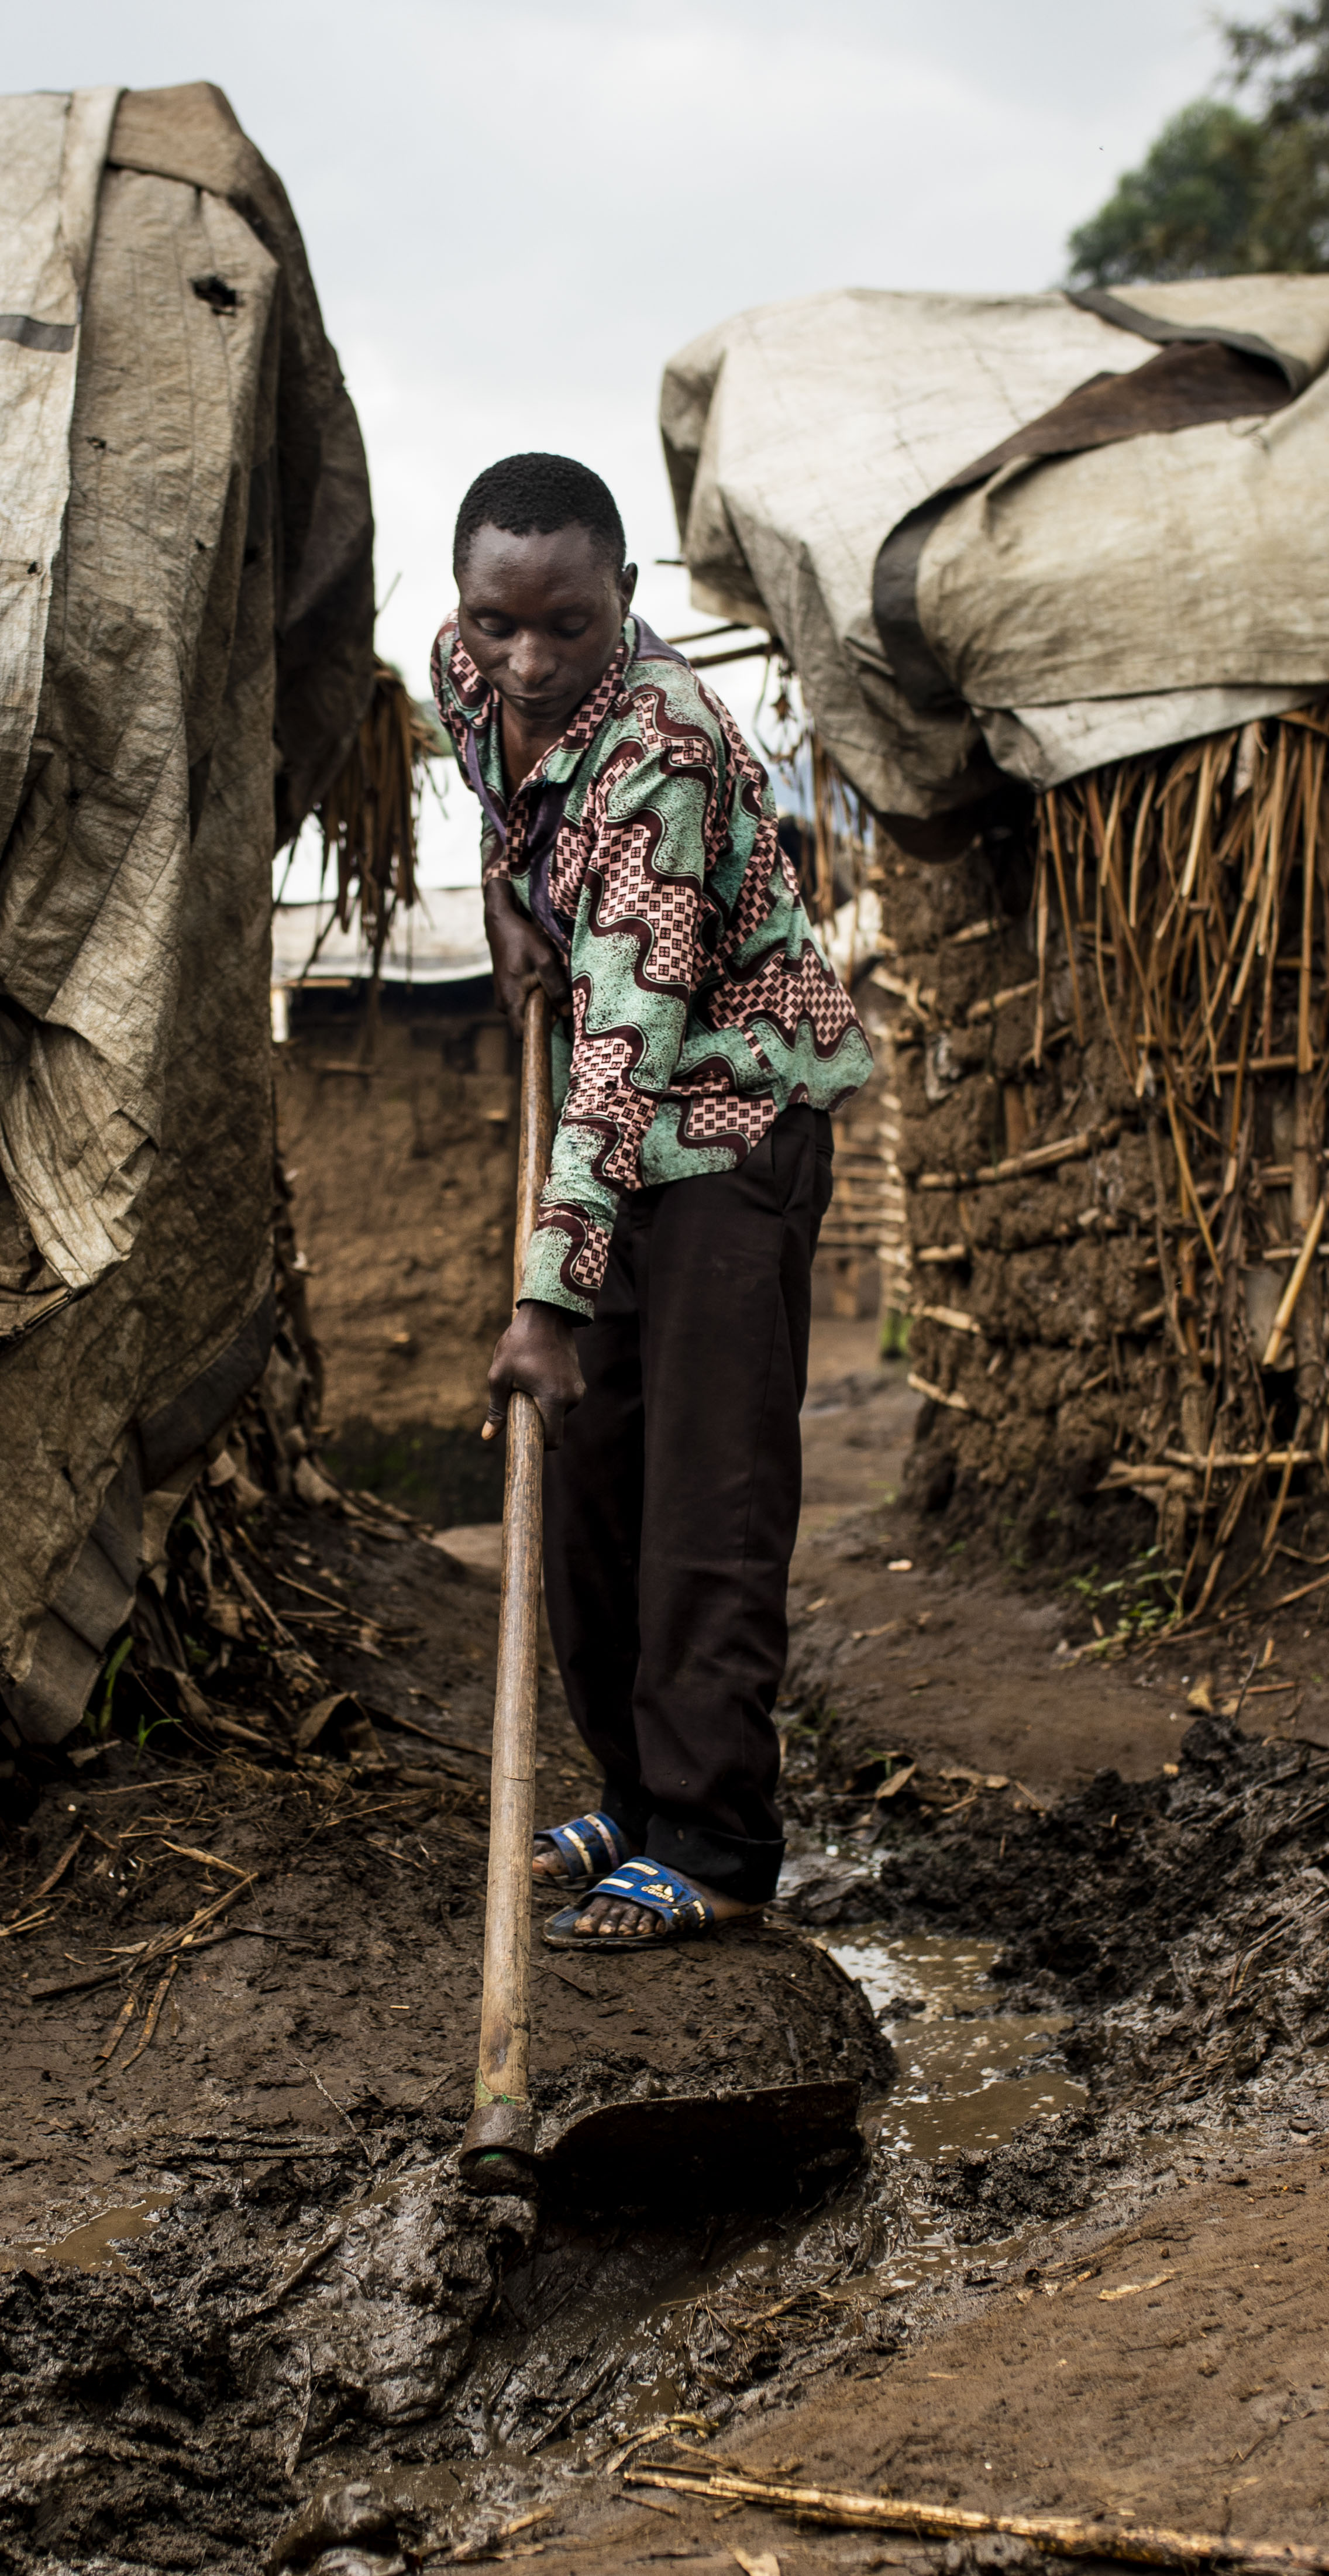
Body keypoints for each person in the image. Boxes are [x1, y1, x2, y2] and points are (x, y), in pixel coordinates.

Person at [437, 452, 874, 1952]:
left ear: (624, 597)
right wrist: (509, 901)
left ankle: (716, 1837)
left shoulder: (661, 757)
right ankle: (631, 1797)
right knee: (593, 1481)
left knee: (702, 1491)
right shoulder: (466, 663)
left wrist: (544, 1301)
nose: (527, 662)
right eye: (499, 624)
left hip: (734, 1119)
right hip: (623, 1119)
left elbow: (625, 1045)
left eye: (564, 625)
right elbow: (501, 800)